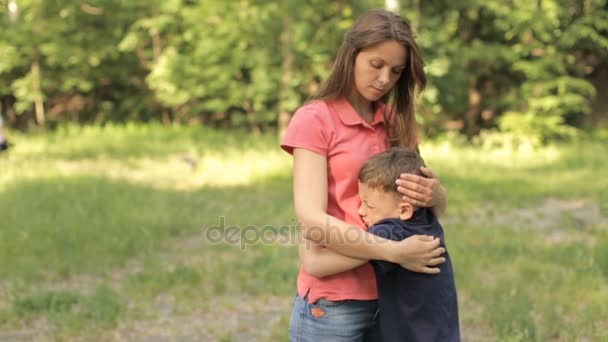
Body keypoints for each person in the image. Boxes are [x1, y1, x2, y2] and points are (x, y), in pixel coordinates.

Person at [281, 9, 449, 341]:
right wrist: (394, 251)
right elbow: (311, 219)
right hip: (333, 304)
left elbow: (422, 209)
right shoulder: (315, 119)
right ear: (351, 55)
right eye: (376, 65)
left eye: (396, 71)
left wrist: (437, 195)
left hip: (393, 295)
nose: (385, 79)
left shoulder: (394, 122)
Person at [303, 147, 459, 341]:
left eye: (369, 205)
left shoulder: (390, 232)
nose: (360, 211)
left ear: (404, 210)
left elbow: (324, 259)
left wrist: (310, 225)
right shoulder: (427, 219)